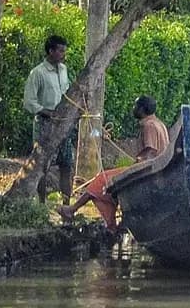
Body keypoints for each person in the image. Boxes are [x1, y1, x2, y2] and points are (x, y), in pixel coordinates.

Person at [57, 95, 169, 231]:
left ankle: (72, 210)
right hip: (154, 171)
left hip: (146, 172)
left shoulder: (148, 125)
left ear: (142, 109)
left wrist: (132, 169)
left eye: (135, 106)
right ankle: (115, 225)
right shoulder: (159, 124)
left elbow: (150, 152)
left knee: (100, 180)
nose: (133, 109)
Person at [23, 35, 75, 204]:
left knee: (66, 165)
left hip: (64, 123)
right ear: (50, 51)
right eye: (60, 50)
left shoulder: (63, 69)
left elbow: (66, 93)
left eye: (64, 51)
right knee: (42, 166)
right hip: (45, 123)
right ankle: (42, 204)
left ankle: (67, 206)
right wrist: (47, 112)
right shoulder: (38, 73)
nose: (63, 54)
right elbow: (29, 102)